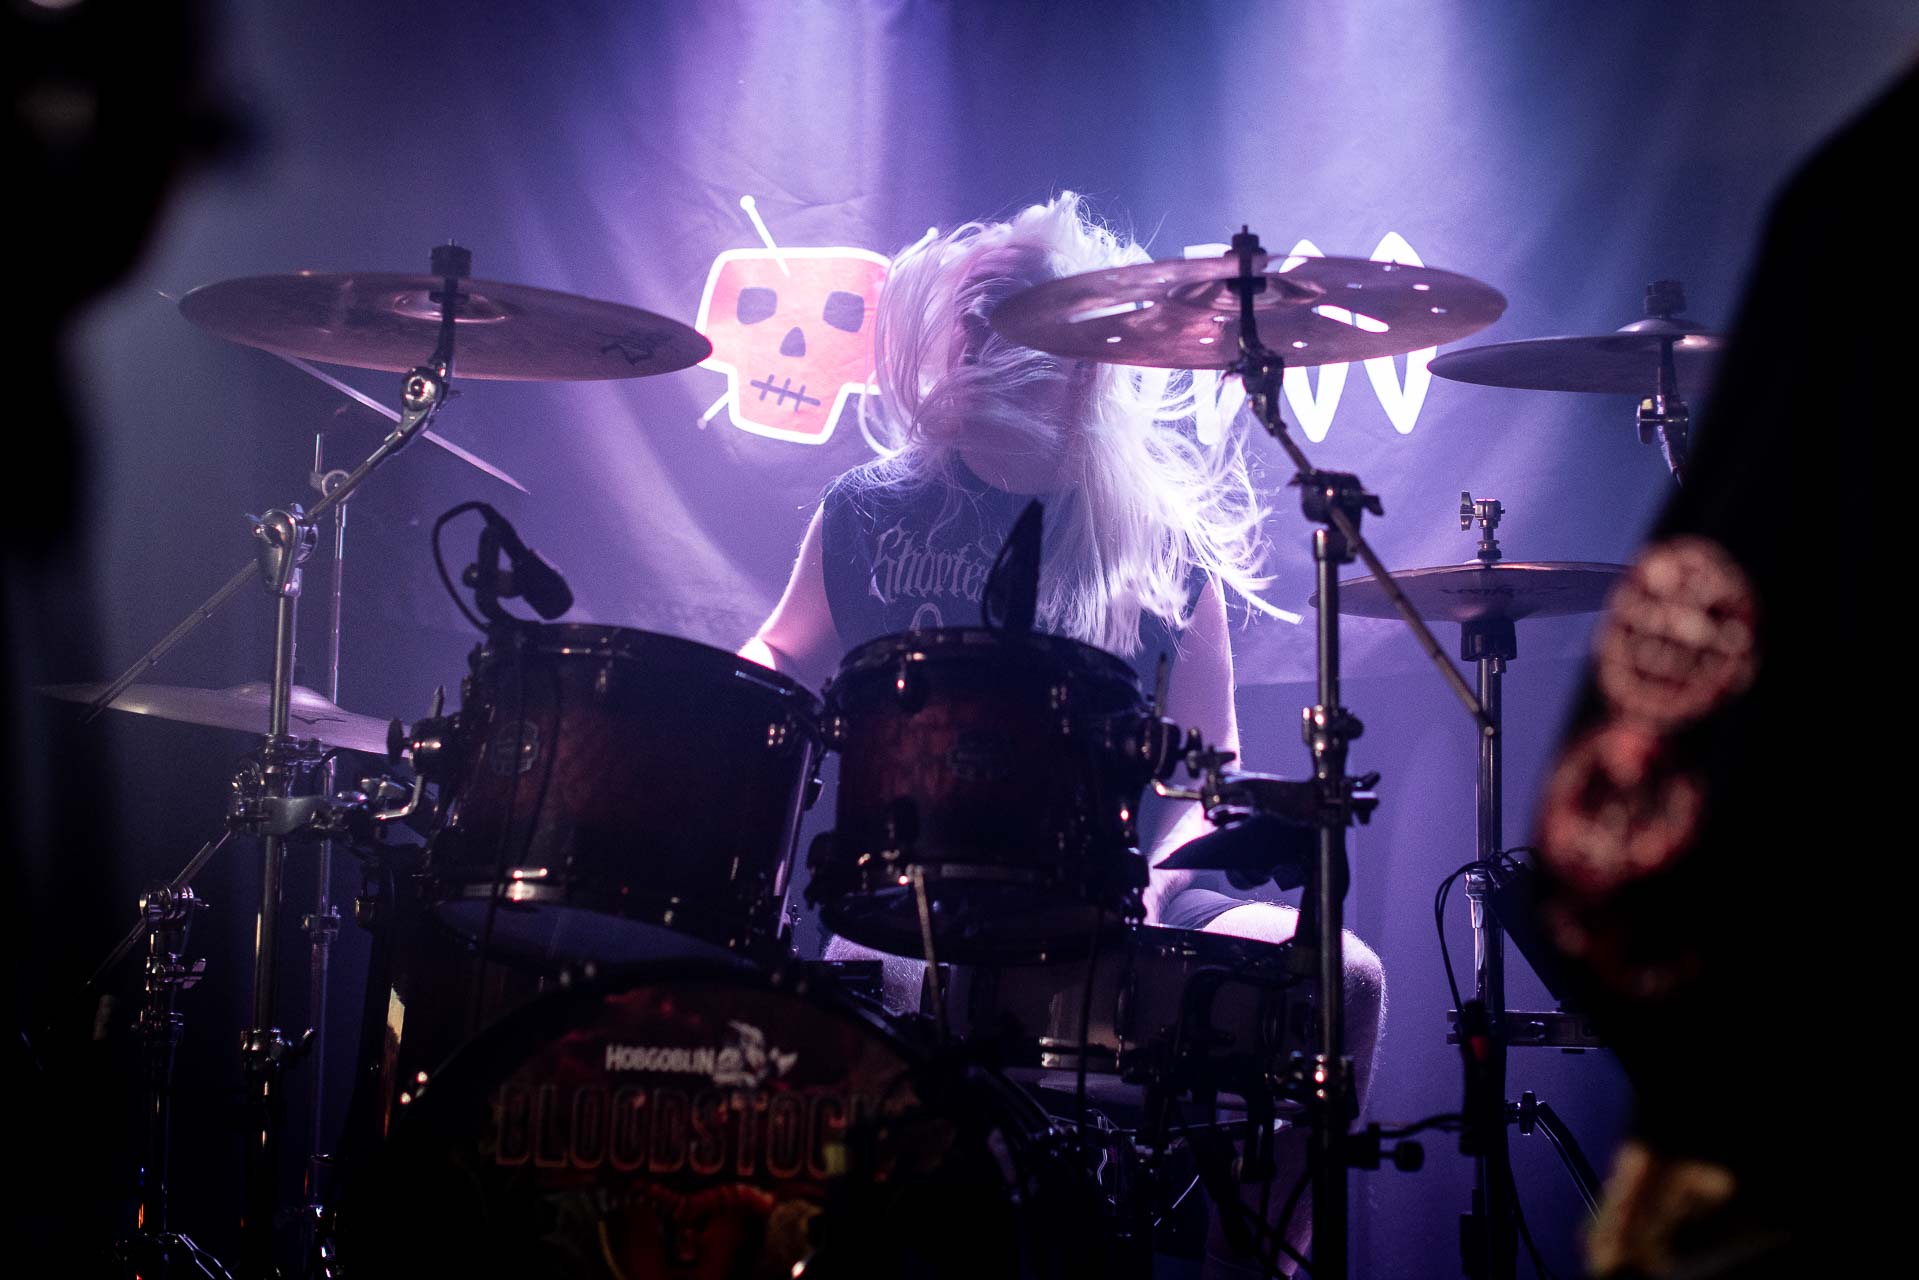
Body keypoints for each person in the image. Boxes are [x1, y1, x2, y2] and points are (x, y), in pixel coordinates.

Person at [742, 193, 1385, 1265]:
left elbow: (1206, 771)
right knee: (860, 1009)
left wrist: (1159, 881)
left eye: (1007, 322)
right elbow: (778, 651)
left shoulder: (1158, 543)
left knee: (1340, 984)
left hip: (1113, 910)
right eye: (971, 320)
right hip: (908, 908)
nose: (980, 344)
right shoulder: (867, 506)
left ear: (1083, 361)